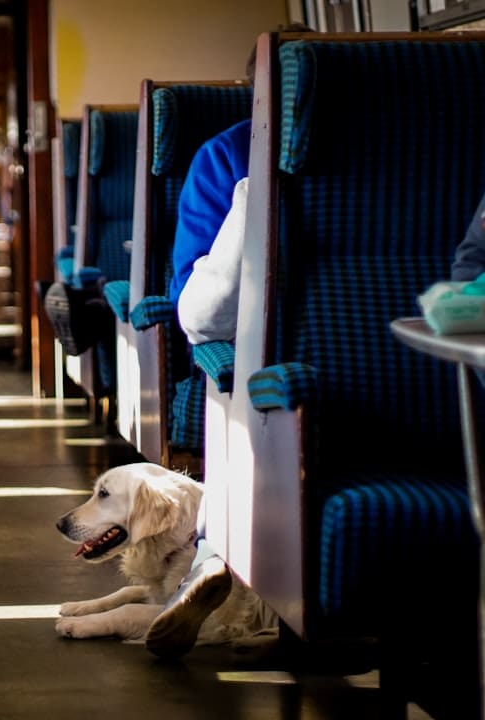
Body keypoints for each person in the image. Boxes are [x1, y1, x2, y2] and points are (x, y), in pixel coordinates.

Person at [144, 23, 311, 660]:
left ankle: (212, 561)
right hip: (263, 349)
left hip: (271, 357)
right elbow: (198, 296)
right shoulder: (229, 158)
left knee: (250, 388)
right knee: (243, 376)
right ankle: (216, 559)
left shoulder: (220, 155)